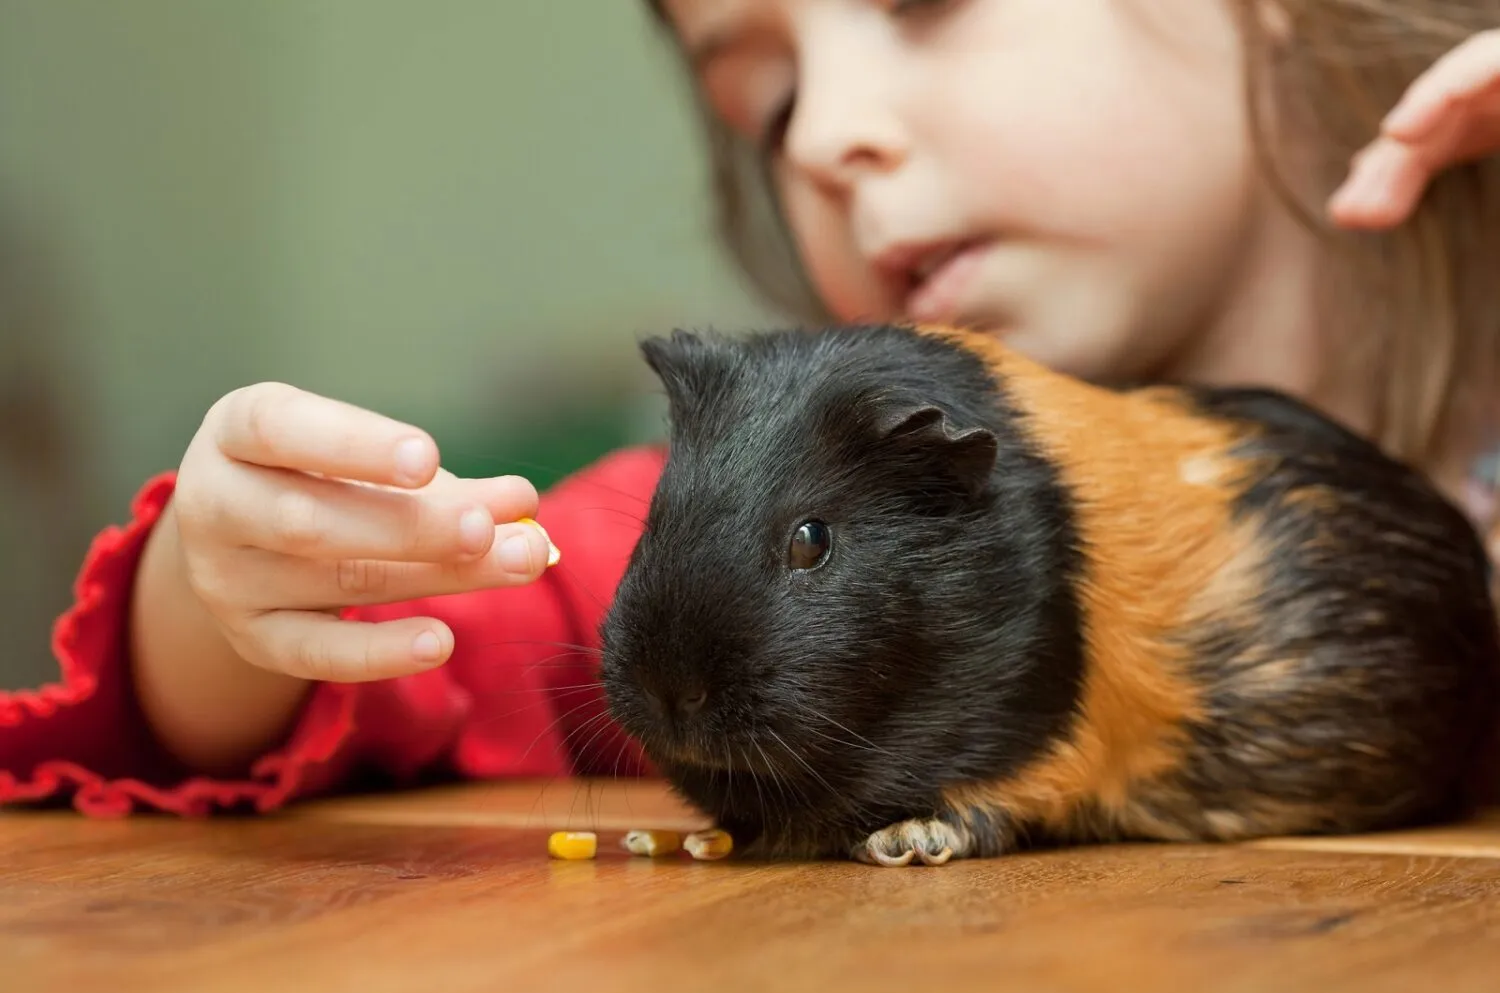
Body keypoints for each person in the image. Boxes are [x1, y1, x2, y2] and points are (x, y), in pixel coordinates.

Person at [3, 2, 1499, 819]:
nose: (833, 135)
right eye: (765, 106)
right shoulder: (683, 517)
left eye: (923, 1)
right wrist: (225, 601)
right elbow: (401, 666)